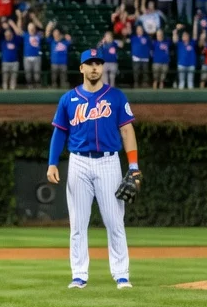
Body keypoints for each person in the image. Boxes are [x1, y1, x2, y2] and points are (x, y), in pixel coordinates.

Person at [47, 49, 139, 289]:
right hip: (78, 162)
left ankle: (121, 274)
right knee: (78, 223)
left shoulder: (116, 97)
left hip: (109, 162)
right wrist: (52, 162)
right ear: (81, 69)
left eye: (98, 63)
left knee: (114, 221)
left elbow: (127, 131)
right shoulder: (68, 99)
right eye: (90, 64)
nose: (95, 67)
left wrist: (134, 166)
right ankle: (79, 275)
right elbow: (60, 132)